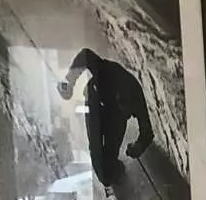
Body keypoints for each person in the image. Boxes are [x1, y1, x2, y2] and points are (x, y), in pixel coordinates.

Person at [59, 48, 154, 187]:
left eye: (124, 107)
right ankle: (107, 172)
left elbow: (147, 133)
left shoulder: (137, 99)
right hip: (95, 103)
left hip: (116, 120)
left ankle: (114, 171)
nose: (121, 106)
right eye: (120, 103)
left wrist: (137, 147)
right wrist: (70, 82)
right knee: (97, 155)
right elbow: (85, 55)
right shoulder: (107, 71)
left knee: (108, 165)